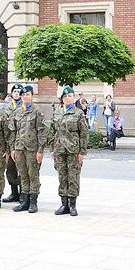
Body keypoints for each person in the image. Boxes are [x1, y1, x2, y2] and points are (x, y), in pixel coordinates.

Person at [52, 86, 88, 217]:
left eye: (70, 96)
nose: (68, 98)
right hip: (59, 149)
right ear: (62, 99)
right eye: (65, 96)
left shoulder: (78, 113)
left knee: (73, 177)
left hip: (73, 150)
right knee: (62, 176)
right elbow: (53, 131)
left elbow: (84, 134)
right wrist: (52, 149)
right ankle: (64, 204)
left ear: (73, 98)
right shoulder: (57, 112)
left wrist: (82, 152)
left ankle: (73, 205)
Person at [10, 84, 47, 213]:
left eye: (27, 95)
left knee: (33, 175)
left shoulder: (37, 112)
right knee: (23, 175)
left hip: (32, 149)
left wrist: (40, 150)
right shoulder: (17, 111)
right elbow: (13, 131)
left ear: (32, 96)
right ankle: (24, 200)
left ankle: (33, 201)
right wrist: (13, 148)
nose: (25, 97)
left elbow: (42, 132)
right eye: (23, 95)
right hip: (19, 148)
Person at [1, 84, 23, 203]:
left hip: (21, 142)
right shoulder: (6, 108)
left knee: (22, 170)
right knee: (10, 170)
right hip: (8, 142)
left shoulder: (25, 107)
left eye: (19, 91)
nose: (16, 93)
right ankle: (14, 192)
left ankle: (23, 193)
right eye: (14, 91)